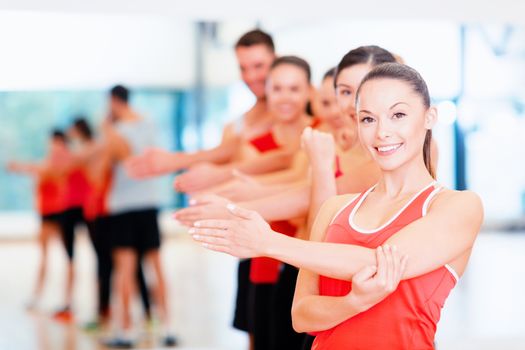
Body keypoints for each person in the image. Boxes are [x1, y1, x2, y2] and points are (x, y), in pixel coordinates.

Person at [188, 63, 483, 349]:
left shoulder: (458, 206)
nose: (382, 132)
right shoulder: (334, 209)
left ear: (429, 117)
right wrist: (352, 303)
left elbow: (380, 265)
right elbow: (302, 318)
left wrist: (268, 242)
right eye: (368, 119)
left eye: (398, 115)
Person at [102, 85, 175, 348]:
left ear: (113, 101)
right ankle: (167, 326)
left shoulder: (115, 130)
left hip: (123, 205)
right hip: (147, 204)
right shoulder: (150, 125)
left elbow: (116, 160)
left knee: (125, 271)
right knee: (156, 267)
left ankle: (126, 331)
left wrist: (108, 130)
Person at [7, 130, 69, 311]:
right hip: (46, 213)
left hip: (60, 213)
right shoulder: (49, 160)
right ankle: (37, 295)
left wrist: (21, 167)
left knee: (68, 257)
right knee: (44, 256)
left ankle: (66, 299)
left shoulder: (62, 162)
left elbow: (45, 170)